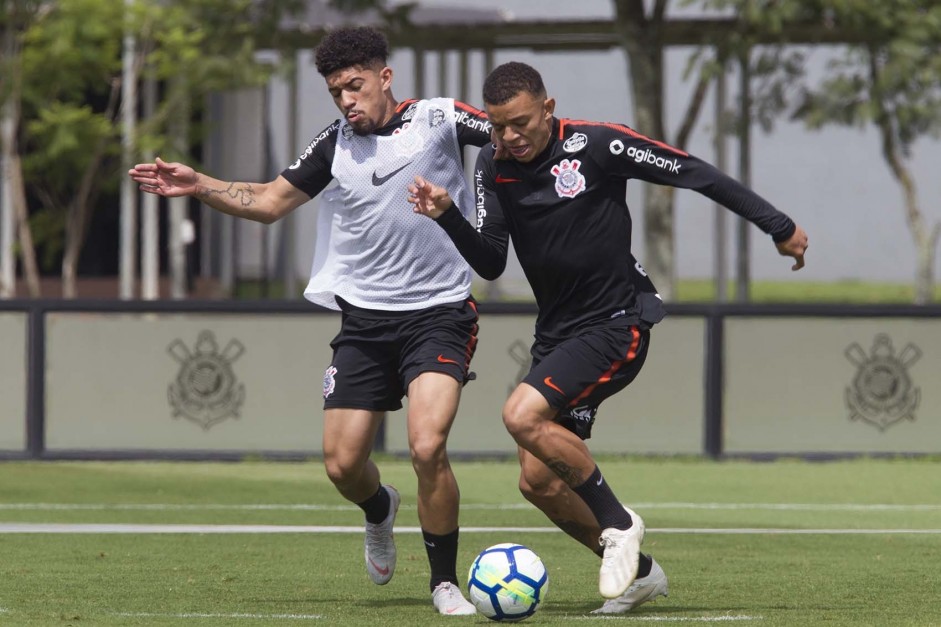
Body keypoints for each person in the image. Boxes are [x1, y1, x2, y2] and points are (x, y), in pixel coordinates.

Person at [408, 61, 809, 614]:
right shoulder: (491, 164)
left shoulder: (600, 146)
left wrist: (779, 226)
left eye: (521, 123)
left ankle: (621, 525)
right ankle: (641, 574)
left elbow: (694, 173)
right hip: (557, 334)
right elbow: (492, 262)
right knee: (539, 483)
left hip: (617, 322)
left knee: (521, 416)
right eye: (499, 127)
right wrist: (449, 215)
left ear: (548, 110)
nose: (509, 137)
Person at [129, 26, 496, 616]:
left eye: (355, 85)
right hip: (366, 322)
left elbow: (511, 130)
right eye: (336, 92)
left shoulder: (440, 119)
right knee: (342, 465)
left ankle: (444, 581)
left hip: (439, 314)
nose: (348, 100)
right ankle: (380, 509)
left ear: (384, 77)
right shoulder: (334, 145)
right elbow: (269, 202)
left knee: (428, 447)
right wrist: (198, 183)